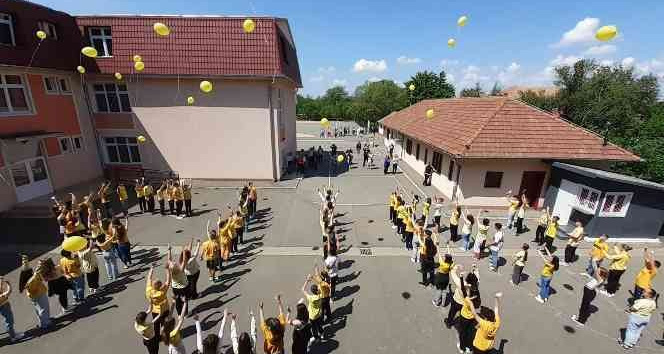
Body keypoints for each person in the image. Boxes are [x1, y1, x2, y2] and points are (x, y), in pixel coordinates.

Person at [22, 259, 51, 330]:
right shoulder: (33, 279)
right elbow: (37, 273)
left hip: (33, 296)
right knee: (43, 309)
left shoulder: (27, 279)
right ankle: (45, 323)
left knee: (38, 309)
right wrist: (40, 265)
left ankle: (42, 321)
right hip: (39, 294)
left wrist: (25, 261)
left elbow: (27, 269)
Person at [146, 265, 172, 337]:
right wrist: (167, 270)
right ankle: (165, 334)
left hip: (155, 311)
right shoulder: (162, 292)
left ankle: (157, 336)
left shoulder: (149, 291)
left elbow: (149, 278)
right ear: (160, 286)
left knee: (156, 324)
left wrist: (151, 269)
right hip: (164, 309)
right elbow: (168, 280)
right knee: (165, 323)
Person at [167, 244, 190, 316]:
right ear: (176, 266)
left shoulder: (171, 271)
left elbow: (169, 260)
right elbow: (184, 260)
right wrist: (183, 250)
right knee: (185, 300)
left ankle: (179, 313)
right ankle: (185, 313)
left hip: (175, 288)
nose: (174, 262)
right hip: (183, 287)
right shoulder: (181, 270)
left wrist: (169, 250)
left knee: (177, 301)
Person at [0, 277, 24, 342]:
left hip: (3, 306)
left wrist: (1, 281)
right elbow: (9, 291)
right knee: (9, 321)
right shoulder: (1, 297)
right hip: (4, 306)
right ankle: (13, 336)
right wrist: (9, 284)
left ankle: (12, 333)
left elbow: (0, 289)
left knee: (8, 320)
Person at [302, 276, 324, 341]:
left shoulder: (310, 298)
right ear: (317, 290)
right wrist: (314, 278)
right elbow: (319, 283)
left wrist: (307, 281)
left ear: (312, 292)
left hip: (312, 316)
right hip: (319, 314)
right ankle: (322, 333)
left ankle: (316, 337)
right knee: (319, 325)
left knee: (314, 327)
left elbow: (303, 289)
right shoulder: (321, 295)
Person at [432, 242, 454, 307]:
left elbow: (439, 253)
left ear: (446, 259)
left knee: (439, 290)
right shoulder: (451, 264)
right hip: (446, 277)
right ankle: (443, 303)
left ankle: (437, 302)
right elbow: (450, 255)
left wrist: (438, 246)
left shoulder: (442, 263)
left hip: (440, 277)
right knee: (444, 290)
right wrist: (448, 246)